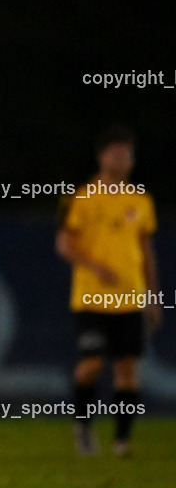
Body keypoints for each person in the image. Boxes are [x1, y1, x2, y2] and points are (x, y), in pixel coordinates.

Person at [56, 125, 160, 456]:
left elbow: (146, 250)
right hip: (91, 298)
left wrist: (154, 297)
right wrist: (94, 266)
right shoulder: (82, 197)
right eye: (115, 153)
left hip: (130, 297)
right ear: (102, 156)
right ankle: (83, 426)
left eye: (127, 154)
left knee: (127, 372)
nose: (122, 159)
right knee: (92, 364)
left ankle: (122, 441)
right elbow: (64, 243)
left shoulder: (140, 200)